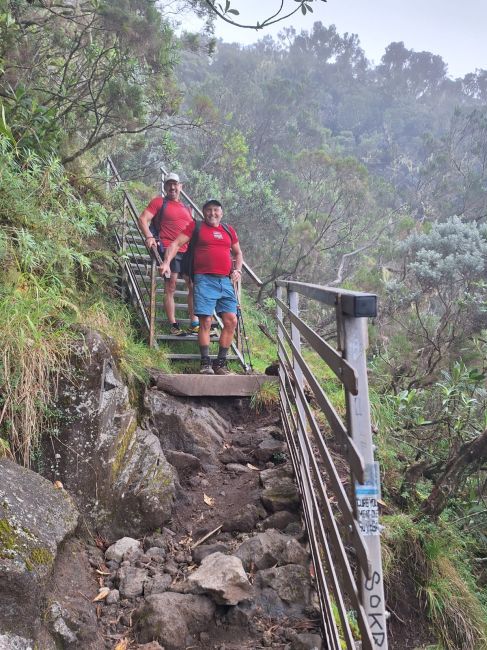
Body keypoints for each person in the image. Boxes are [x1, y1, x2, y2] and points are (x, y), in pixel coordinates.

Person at [159, 199, 243, 375]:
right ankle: (205, 363)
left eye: (216, 210)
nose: (212, 213)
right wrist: (166, 263)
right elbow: (175, 244)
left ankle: (220, 364)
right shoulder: (196, 227)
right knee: (205, 321)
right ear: (203, 213)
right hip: (204, 279)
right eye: (209, 210)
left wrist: (238, 270)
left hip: (225, 281)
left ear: (221, 213)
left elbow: (237, 252)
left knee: (231, 320)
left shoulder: (228, 230)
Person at [138, 173, 199, 336]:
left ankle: (195, 323)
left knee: (193, 286)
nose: (172, 187)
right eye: (169, 184)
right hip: (169, 248)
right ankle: (174, 325)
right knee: (170, 286)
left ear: (181, 186)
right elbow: (143, 218)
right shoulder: (159, 202)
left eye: (175, 184)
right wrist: (149, 236)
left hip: (188, 251)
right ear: (165, 187)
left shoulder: (187, 209)